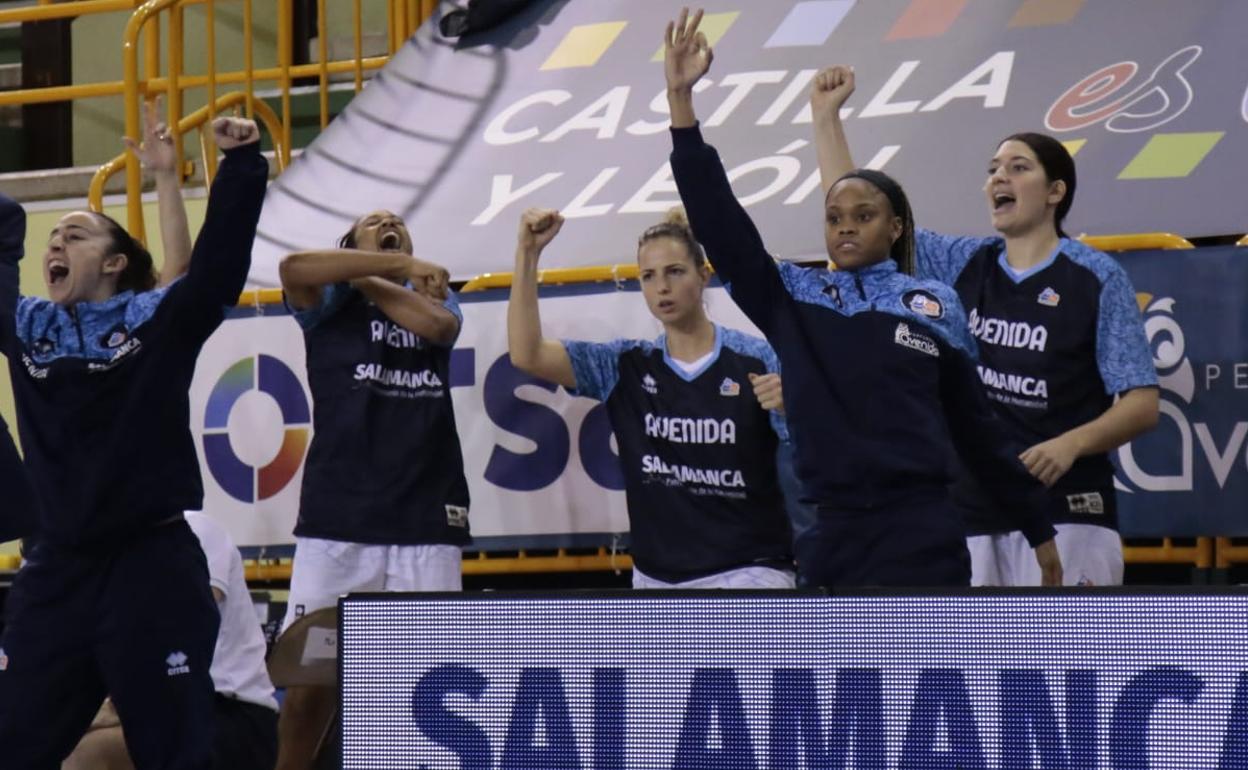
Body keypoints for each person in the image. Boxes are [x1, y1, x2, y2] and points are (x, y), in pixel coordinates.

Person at [661, 8, 1061, 588]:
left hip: (923, 533)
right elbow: (721, 223)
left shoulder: (932, 303)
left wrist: (1038, 531)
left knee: (930, 681)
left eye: (863, 215)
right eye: (833, 217)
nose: (845, 227)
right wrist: (681, 107)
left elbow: (978, 431)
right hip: (832, 536)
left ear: (896, 227)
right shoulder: (792, 296)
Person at [810, 65, 1159, 586]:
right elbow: (862, 207)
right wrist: (825, 115)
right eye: (994, 168)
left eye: (1018, 168)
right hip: (970, 513)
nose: (999, 177)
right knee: (976, 667)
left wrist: (1069, 444)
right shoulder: (961, 262)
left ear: (1055, 190)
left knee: (1071, 665)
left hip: (1068, 509)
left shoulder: (1095, 275)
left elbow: (1141, 403)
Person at [0, 116, 267, 768]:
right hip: (56, 573)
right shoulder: (28, 328)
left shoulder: (157, 325)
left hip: (152, 568)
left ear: (116, 264)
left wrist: (240, 164)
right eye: (54, 235)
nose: (57, 241)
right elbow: (7, 230)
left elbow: (212, 269)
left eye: (78, 234)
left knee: (175, 752)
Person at [508, 207, 796, 589]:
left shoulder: (758, 359)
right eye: (649, 276)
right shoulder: (624, 365)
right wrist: (527, 254)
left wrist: (792, 407)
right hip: (656, 578)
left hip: (747, 570)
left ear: (703, 275)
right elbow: (527, 354)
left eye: (674, 272)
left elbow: (822, 448)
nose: (662, 287)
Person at [275, 211, 469, 770]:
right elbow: (293, 267)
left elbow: (439, 329)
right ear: (350, 246)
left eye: (400, 224)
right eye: (374, 224)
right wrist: (396, 263)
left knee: (425, 691)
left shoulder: (435, 296)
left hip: (425, 522)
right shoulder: (330, 303)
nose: (390, 223)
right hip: (339, 524)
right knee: (309, 685)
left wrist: (382, 275)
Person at [64, 511, 280, 770]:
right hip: (165, 703)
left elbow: (183, 628)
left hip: (230, 711)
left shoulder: (196, 530)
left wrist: (114, 706)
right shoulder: (108, 545)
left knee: (89, 752)